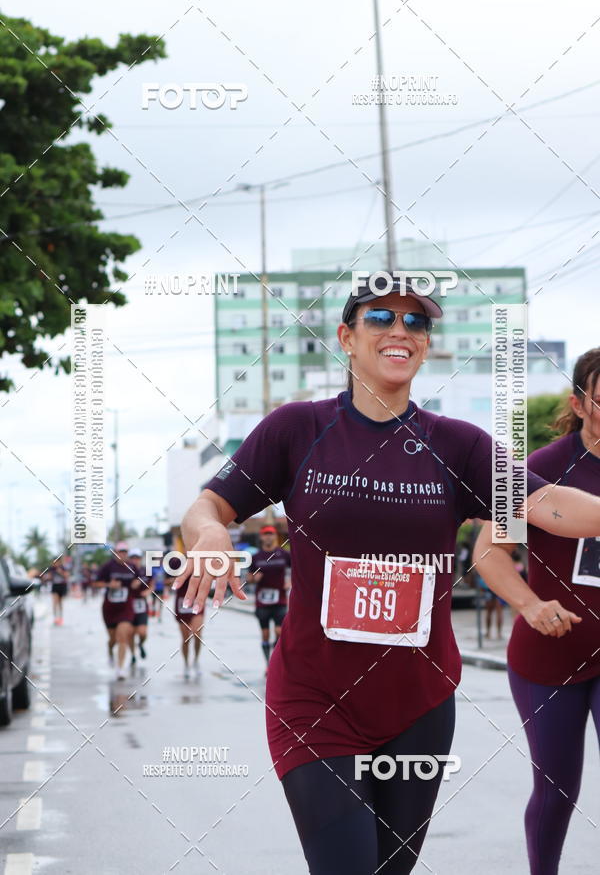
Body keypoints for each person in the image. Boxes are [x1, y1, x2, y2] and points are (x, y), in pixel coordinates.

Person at [176, 275, 600, 874]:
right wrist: (214, 533)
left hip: (417, 703)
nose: (400, 331)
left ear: (426, 345)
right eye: (381, 319)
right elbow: (207, 507)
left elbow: (550, 506)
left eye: (416, 322)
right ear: (348, 338)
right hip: (314, 698)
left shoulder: (457, 447)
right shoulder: (297, 429)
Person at [474, 347, 600, 875]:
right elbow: (487, 549)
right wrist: (527, 602)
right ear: (579, 402)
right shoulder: (543, 469)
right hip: (552, 655)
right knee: (556, 788)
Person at [246, 526, 291, 673]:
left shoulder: (283, 554)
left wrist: (291, 581)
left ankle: (275, 662)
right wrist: (253, 579)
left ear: (275, 536)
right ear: (261, 537)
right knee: (265, 634)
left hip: (280, 600)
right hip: (262, 601)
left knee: (279, 631)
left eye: (271, 534)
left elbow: (297, 568)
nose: (268, 537)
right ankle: (268, 664)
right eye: (265, 534)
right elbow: (249, 578)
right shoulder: (256, 557)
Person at [93, 541, 141, 680]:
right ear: (115, 552)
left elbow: (141, 580)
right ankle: (109, 649)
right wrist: (109, 584)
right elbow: (96, 582)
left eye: (125, 552)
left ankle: (120, 668)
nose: (123, 554)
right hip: (110, 608)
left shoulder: (132, 567)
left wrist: (137, 583)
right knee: (113, 638)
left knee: (122, 636)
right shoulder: (108, 567)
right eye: (120, 551)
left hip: (126, 607)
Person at [166, 554, 205, 679]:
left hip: (196, 601)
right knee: (186, 638)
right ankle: (186, 664)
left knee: (197, 633)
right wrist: (174, 580)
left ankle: (196, 660)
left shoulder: (201, 560)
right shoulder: (176, 561)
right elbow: (166, 581)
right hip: (182, 603)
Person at [128, 549, 152, 665]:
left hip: (142, 604)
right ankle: (133, 654)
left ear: (140, 559)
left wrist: (147, 592)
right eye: (132, 558)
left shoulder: (146, 570)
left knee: (142, 632)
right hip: (129, 605)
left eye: (137, 558)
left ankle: (141, 644)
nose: (135, 560)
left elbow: (152, 583)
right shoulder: (126, 571)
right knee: (131, 633)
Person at [44, 555, 69, 625]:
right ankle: (55, 618)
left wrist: (60, 572)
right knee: (55, 602)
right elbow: (48, 577)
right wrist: (48, 577)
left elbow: (67, 576)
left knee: (60, 603)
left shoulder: (63, 568)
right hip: (55, 586)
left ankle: (60, 618)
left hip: (62, 585)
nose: (56, 563)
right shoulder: (51, 569)